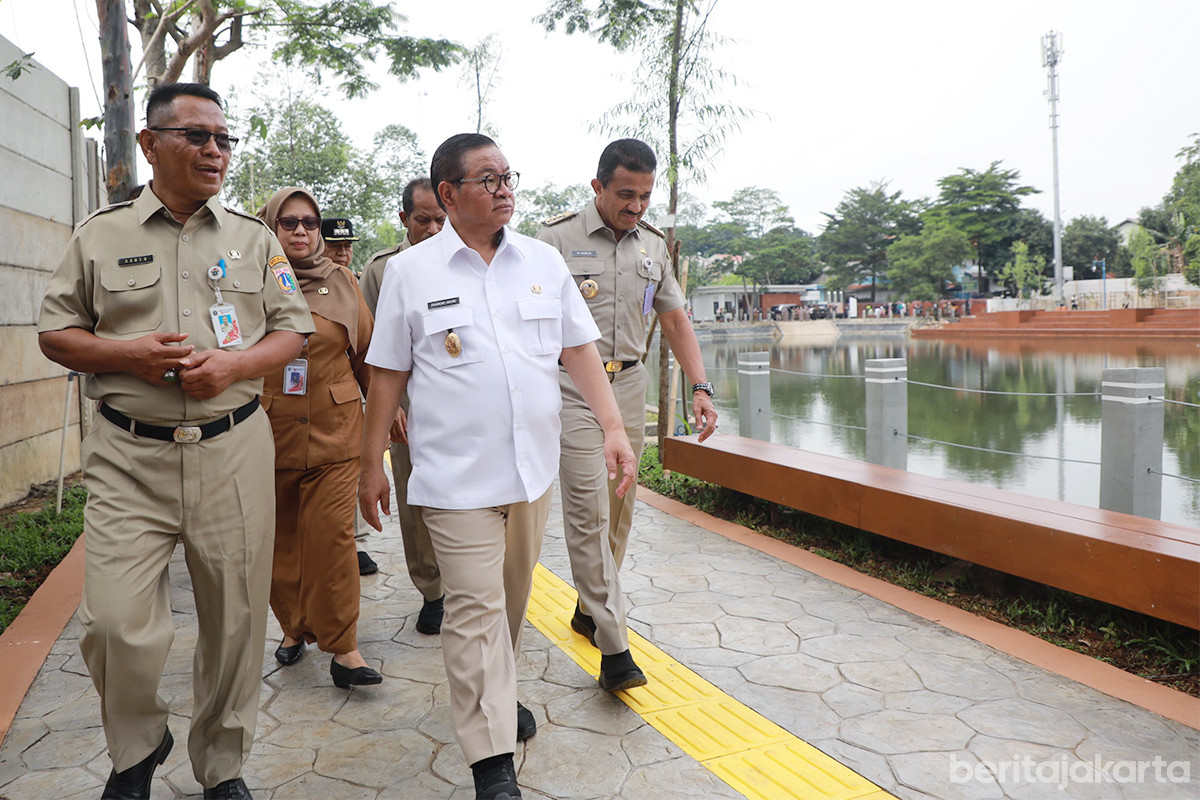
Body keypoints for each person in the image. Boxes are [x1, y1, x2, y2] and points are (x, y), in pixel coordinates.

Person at [37, 83, 313, 800]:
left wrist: (234, 364)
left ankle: (223, 765)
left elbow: (293, 332)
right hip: (130, 456)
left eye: (223, 138)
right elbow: (55, 333)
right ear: (150, 144)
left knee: (236, 621)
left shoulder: (254, 237)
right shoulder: (99, 234)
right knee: (114, 624)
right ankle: (140, 743)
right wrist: (128, 355)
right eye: (196, 136)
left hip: (232, 448)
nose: (214, 151)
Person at [359, 133, 636, 800]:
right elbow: (387, 371)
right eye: (488, 178)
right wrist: (371, 461)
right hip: (456, 478)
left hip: (531, 473)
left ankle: (497, 694)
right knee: (475, 613)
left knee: (509, 605)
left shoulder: (541, 261)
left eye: (509, 175)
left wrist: (614, 428)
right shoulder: (411, 273)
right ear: (449, 194)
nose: (505, 187)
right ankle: (493, 767)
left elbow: (578, 351)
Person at [536, 138, 718, 693]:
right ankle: (615, 649)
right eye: (624, 194)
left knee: (619, 510)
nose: (635, 206)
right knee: (589, 511)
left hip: (631, 383)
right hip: (571, 387)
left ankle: (591, 608)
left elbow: (676, 319)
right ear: (597, 187)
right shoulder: (553, 240)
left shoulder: (654, 247)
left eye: (644, 196)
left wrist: (701, 386)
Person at [257, 187, 382, 690]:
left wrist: (387, 414)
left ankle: (343, 646)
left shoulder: (344, 282)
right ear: (271, 228)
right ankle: (294, 628)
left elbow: (368, 355)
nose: (302, 232)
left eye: (310, 223)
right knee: (282, 544)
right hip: (268, 432)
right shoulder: (247, 283)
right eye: (289, 223)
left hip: (336, 433)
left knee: (331, 538)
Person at [359, 177, 447, 633]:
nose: (433, 229)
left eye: (440, 219)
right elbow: (371, 348)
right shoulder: (381, 271)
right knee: (415, 502)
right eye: (422, 220)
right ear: (403, 219)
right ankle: (432, 590)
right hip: (408, 405)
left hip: (462, 406)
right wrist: (387, 405)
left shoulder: (470, 258)